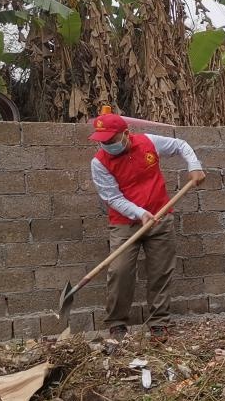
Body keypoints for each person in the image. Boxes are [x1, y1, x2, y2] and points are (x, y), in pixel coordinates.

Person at [88, 113, 206, 341]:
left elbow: (181, 145)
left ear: (125, 134)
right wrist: (140, 213)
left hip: (161, 218)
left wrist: (194, 165)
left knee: (161, 271)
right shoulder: (99, 162)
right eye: (103, 141)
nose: (107, 145)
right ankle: (117, 323)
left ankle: (159, 322)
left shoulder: (148, 142)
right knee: (119, 271)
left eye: (111, 140)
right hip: (125, 223)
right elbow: (112, 198)